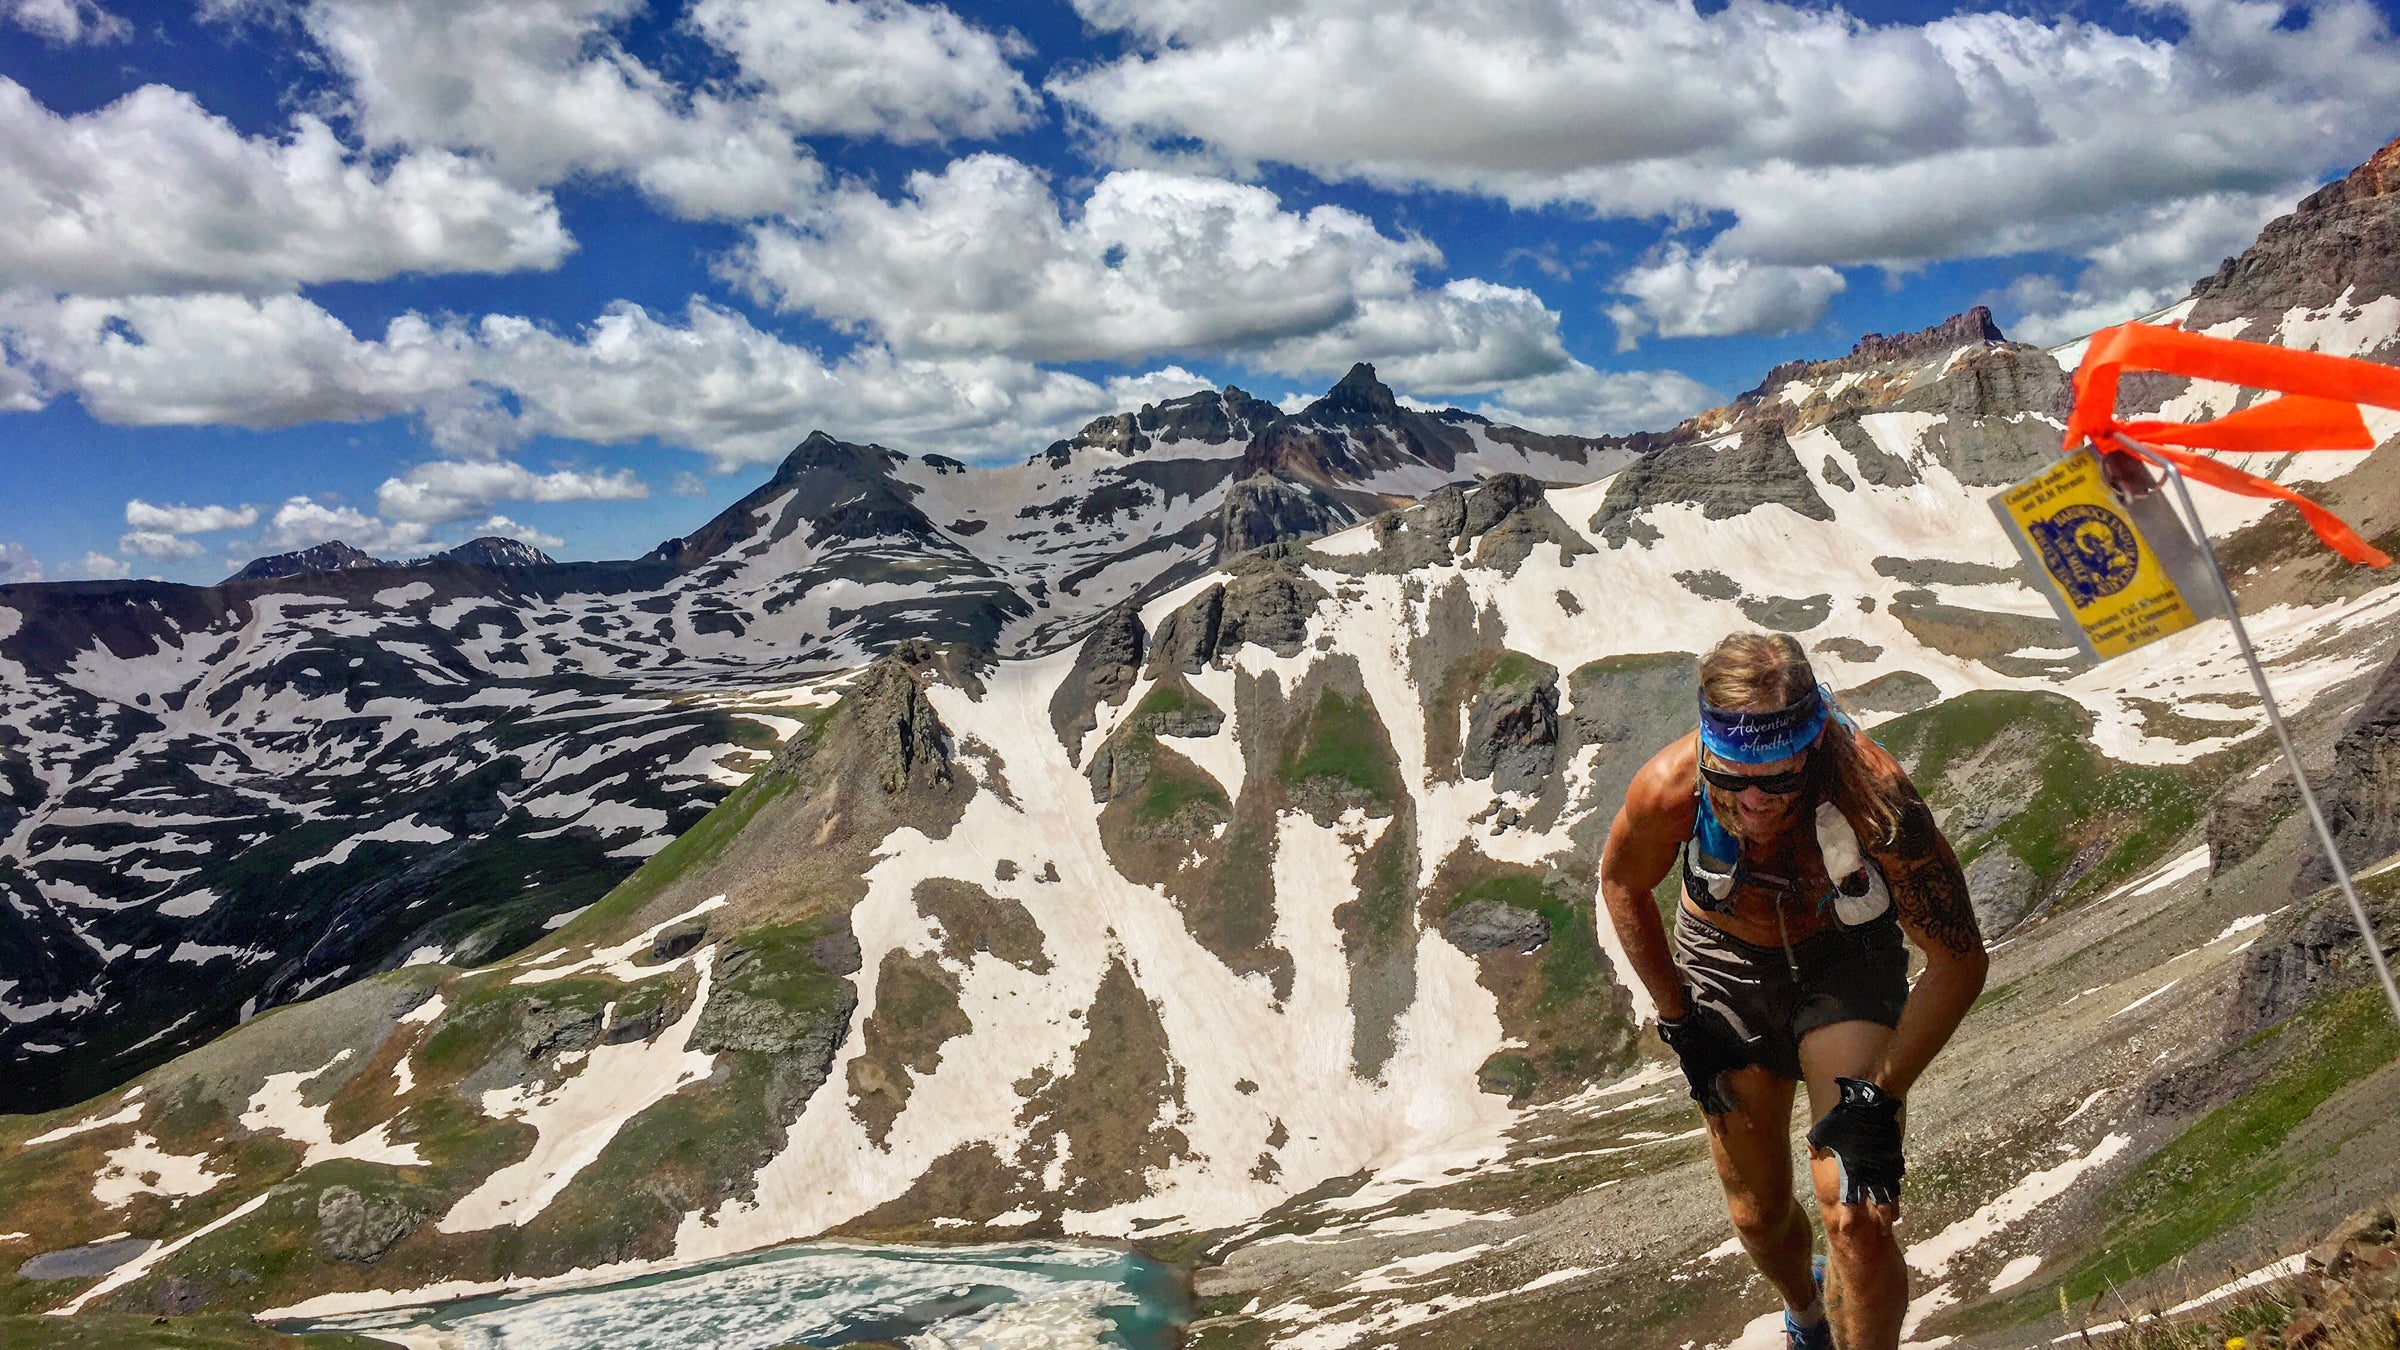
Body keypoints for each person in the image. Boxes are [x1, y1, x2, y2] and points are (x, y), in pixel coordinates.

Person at [1598, 633, 1987, 1350]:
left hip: (1843, 961)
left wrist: (1881, 1097)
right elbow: (1623, 882)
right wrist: (1678, 1018)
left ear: (1812, 750)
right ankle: (1805, 1311)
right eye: (1735, 777)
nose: (1754, 801)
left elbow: (1959, 960)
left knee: (1858, 1213)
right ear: (1709, 749)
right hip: (1723, 965)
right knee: (1758, 1215)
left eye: (1779, 781)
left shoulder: (1877, 800)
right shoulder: (1669, 788)